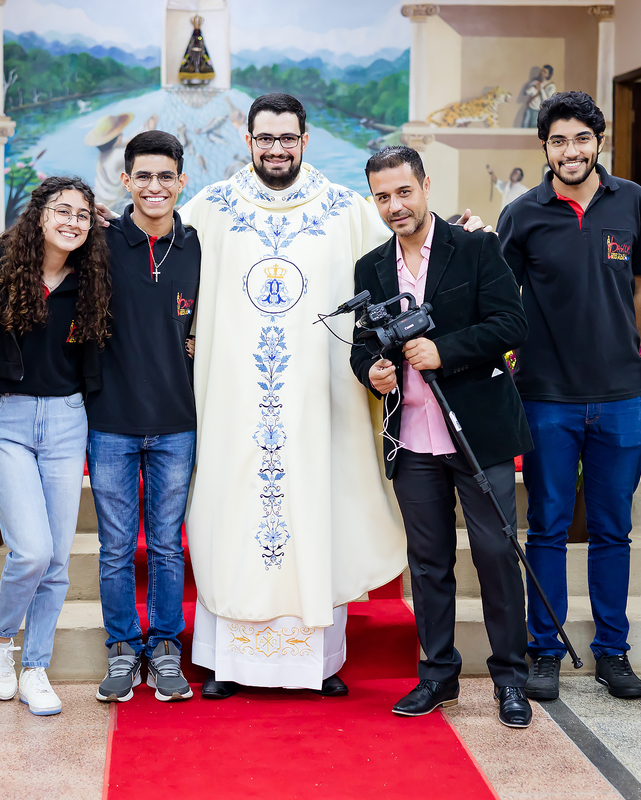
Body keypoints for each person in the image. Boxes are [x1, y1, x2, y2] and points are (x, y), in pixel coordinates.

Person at [174, 93, 487, 698]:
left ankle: (315, 664)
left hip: (323, 404)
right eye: (265, 138)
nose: (276, 148)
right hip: (237, 407)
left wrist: (462, 234)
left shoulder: (344, 209)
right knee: (233, 514)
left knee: (317, 511)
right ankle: (228, 664)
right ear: (249, 140)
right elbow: (156, 246)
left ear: (305, 140)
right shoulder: (211, 208)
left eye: (287, 138)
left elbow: (412, 246)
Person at [351, 146, 534, 727]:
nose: (394, 206)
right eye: (382, 196)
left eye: (403, 192)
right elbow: (361, 345)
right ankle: (437, 675)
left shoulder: (476, 247)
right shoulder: (371, 267)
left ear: (425, 186)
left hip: (477, 431)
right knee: (427, 562)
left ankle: (510, 679)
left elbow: (511, 322)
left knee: (496, 554)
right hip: (410, 436)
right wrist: (371, 371)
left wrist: (445, 351)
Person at [496, 91, 641, 702]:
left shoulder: (632, 202)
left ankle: (612, 651)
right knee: (547, 527)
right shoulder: (524, 213)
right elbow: (500, 297)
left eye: (582, 139)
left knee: (613, 530)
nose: (571, 151)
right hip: (546, 397)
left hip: (620, 395)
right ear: (545, 147)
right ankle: (545, 650)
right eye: (559, 140)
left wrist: (628, 341)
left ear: (599, 142)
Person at [0, 177, 111, 716]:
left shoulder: (91, 279)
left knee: (56, 559)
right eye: (62, 211)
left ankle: (36, 667)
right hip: (2, 416)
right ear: (39, 214)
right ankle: (1, 636)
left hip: (66, 418)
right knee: (30, 550)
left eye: (83, 214)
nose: (72, 222)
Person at [85, 131, 202, 704]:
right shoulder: (98, 244)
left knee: (164, 544)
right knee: (113, 547)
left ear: (182, 181)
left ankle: (164, 649)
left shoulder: (197, 247)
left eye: (165, 176)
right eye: (143, 176)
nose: (154, 187)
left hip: (177, 422)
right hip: (111, 421)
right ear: (125, 180)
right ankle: (122, 650)